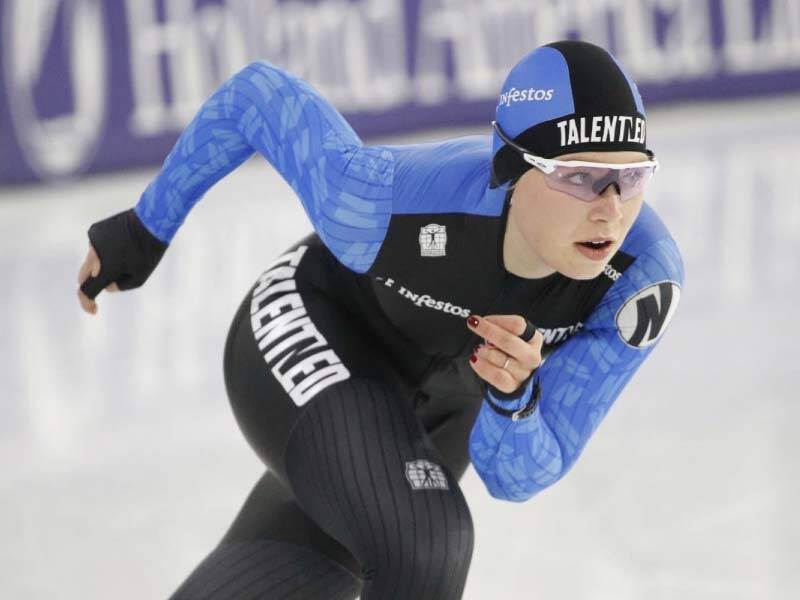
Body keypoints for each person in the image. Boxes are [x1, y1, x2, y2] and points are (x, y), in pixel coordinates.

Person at [77, 40, 683, 599]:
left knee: (328, 561)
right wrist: (142, 229)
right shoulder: (382, 203)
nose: (611, 209)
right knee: (425, 542)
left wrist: (515, 400)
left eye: (631, 177)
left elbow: (517, 476)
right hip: (321, 320)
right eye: (580, 177)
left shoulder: (640, 281)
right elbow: (256, 95)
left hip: (442, 398)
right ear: (511, 167)